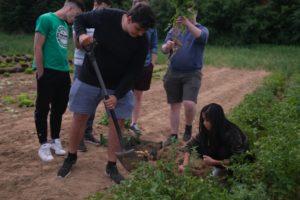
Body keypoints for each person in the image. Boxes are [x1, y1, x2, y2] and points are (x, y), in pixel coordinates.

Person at [57, 4, 155, 184]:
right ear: (129, 18)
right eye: (138, 29)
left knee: (117, 122)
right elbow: (80, 19)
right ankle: (71, 157)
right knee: (80, 117)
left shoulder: (142, 40)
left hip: (118, 84)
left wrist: (117, 95)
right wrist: (82, 35)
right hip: (90, 76)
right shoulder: (106, 16)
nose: (140, 33)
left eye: (144, 31)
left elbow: (134, 72)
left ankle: (111, 165)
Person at [32, 0, 84, 162]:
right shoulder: (45, 19)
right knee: (42, 108)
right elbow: (37, 47)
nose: (75, 20)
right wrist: (41, 73)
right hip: (47, 71)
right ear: (70, 8)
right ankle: (43, 145)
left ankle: (55, 140)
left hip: (62, 72)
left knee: (59, 108)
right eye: (76, 16)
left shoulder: (65, 25)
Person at [161, 9, 209, 144]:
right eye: (184, 13)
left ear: (195, 13)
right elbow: (164, 49)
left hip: (192, 73)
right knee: (174, 105)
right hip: (173, 71)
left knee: (189, 103)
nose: (186, 16)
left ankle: (188, 128)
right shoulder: (175, 30)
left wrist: (187, 23)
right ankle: (173, 135)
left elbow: (201, 37)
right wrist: (167, 46)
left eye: (189, 13)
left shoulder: (202, 29)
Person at [73, 0, 113, 152]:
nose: (103, 10)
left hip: (98, 65)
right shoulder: (83, 18)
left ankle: (88, 132)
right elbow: (77, 43)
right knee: (82, 102)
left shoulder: (106, 22)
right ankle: (79, 137)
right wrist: (90, 40)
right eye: (102, 7)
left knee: (94, 100)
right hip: (81, 64)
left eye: (106, 8)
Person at [179, 103, 249, 177]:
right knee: (201, 145)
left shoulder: (233, 134)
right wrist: (185, 165)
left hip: (240, 167)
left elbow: (238, 159)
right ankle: (219, 171)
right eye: (203, 120)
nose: (204, 123)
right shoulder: (208, 131)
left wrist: (214, 162)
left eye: (207, 120)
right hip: (221, 164)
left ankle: (223, 173)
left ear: (216, 120)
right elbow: (189, 145)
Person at [129, 0, 158, 135]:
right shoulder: (127, 20)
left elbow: (154, 46)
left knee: (138, 95)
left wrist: (151, 64)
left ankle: (133, 123)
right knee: (123, 93)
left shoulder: (151, 26)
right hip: (127, 64)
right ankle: (119, 120)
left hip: (144, 65)